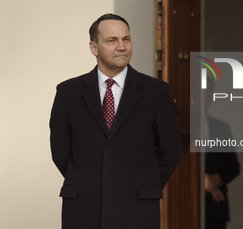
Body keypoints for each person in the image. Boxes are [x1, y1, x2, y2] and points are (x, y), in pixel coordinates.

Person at [50, 13, 182, 229]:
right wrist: (90, 182)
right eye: (112, 40)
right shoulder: (68, 93)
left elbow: (171, 152)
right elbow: (61, 152)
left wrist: (143, 186)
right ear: (94, 48)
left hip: (138, 212)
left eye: (126, 39)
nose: (122, 46)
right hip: (83, 210)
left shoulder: (156, 92)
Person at [203, 77, 240, 229]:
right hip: (186, 204)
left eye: (209, 91)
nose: (206, 95)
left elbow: (234, 167)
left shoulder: (221, 128)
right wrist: (202, 181)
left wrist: (214, 180)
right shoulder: (180, 125)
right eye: (202, 90)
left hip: (216, 208)